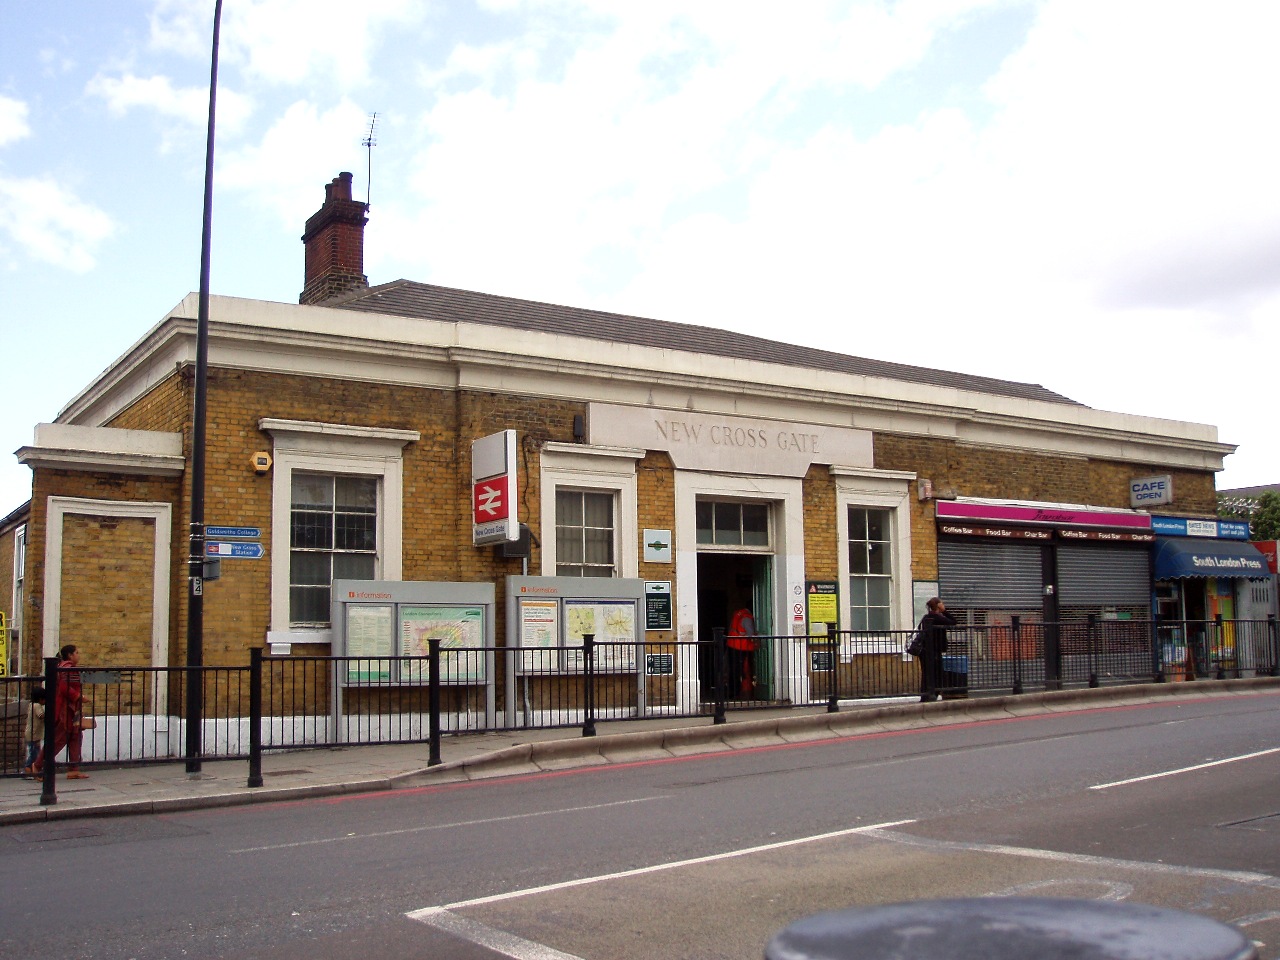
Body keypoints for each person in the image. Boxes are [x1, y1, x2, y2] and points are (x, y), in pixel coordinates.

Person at [31, 643, 89, 780]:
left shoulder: (66, 668)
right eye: (77, 653)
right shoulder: (67, 668)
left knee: (76, 737)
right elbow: (64, 688)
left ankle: (74, 769)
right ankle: (38, 765)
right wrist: (79, 697)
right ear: (70, 655)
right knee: (59, 739)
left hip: (72, 709)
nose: (78, 655)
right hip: (66, 709)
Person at [918, 597, 957, 703]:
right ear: (938, 605)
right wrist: (944, 611)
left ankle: (926, 696)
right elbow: (953, 622)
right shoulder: (937, 617)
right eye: (942, 604)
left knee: (927, 674)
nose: (944, 605)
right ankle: (932, 695)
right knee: (937, 674)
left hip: (925, 651)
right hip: (933, 651)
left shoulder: (926, 617)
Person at [727, 607, 757, 699]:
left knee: (733, 669)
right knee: (743, 670)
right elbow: (750, 633)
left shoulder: (737, 615)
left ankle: (732, 692)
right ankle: (742, 692)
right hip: (743, 647)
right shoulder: (747, 618)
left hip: (731, 645)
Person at [22, 684, 45, 778]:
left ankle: (33, 769)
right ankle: (28, 769)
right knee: (34, 754)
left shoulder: (31, 704)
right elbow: (41, 716)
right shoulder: (37, 706)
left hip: (32, 734)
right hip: (33, 735)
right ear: (40, 699)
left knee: (36, 752)